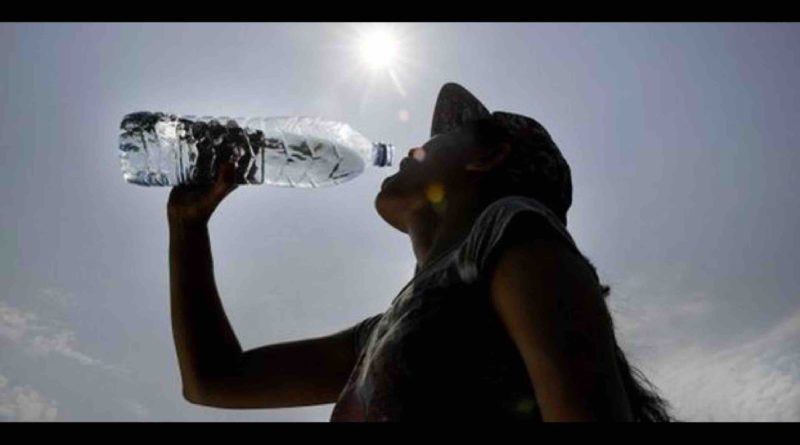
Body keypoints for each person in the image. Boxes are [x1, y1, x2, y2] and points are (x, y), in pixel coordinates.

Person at [167, 82, 672, 421]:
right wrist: (188, 227)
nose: (413, 150)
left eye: (440, 139)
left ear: (488, 156)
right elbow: (212, 380)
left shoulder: (512, 231)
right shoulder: (387, 329)